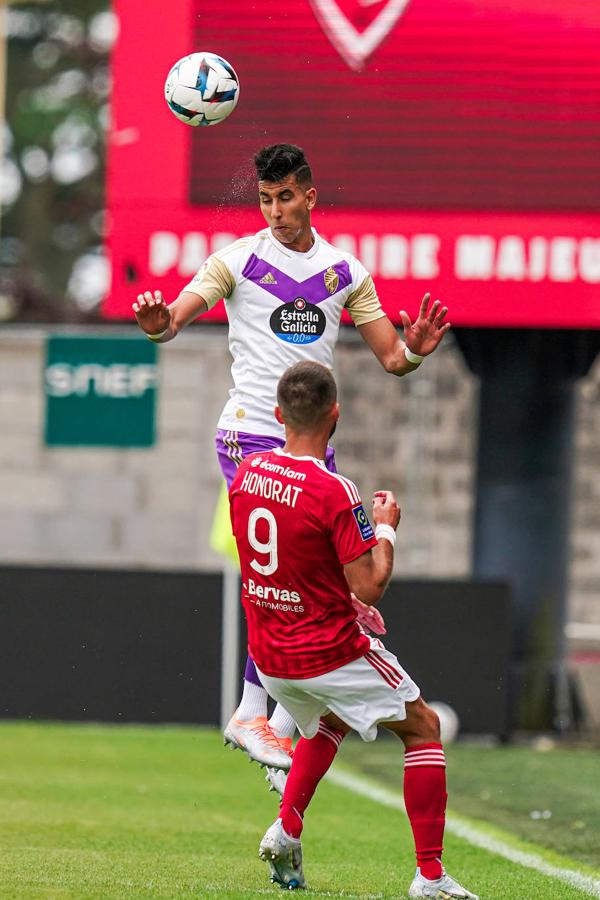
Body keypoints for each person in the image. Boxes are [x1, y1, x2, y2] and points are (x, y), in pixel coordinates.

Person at [132, 143, 451, 775]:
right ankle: (254, 713)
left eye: (285, 198)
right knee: (282, 577)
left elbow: (391, 358)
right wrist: (154, 320)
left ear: (309, 195)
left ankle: (279, 728)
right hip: (251, 436)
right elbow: (173, 321)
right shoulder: (237, 262)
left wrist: (415, 349)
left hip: (313, 449)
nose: (276, 211)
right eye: (265, 200)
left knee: (322, 586)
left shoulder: (344, 273)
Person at [228, 361, 478, 899]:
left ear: (278, 415)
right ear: (335, 415)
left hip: (270, 657)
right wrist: (385, 523)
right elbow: (371, 583)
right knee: (424, 727)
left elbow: (286, 561)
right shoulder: (334, 490)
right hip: (326, 650)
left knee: (330, 722)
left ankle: (286, 829)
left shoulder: (246, 473)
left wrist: (338, 596)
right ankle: (431, 879)